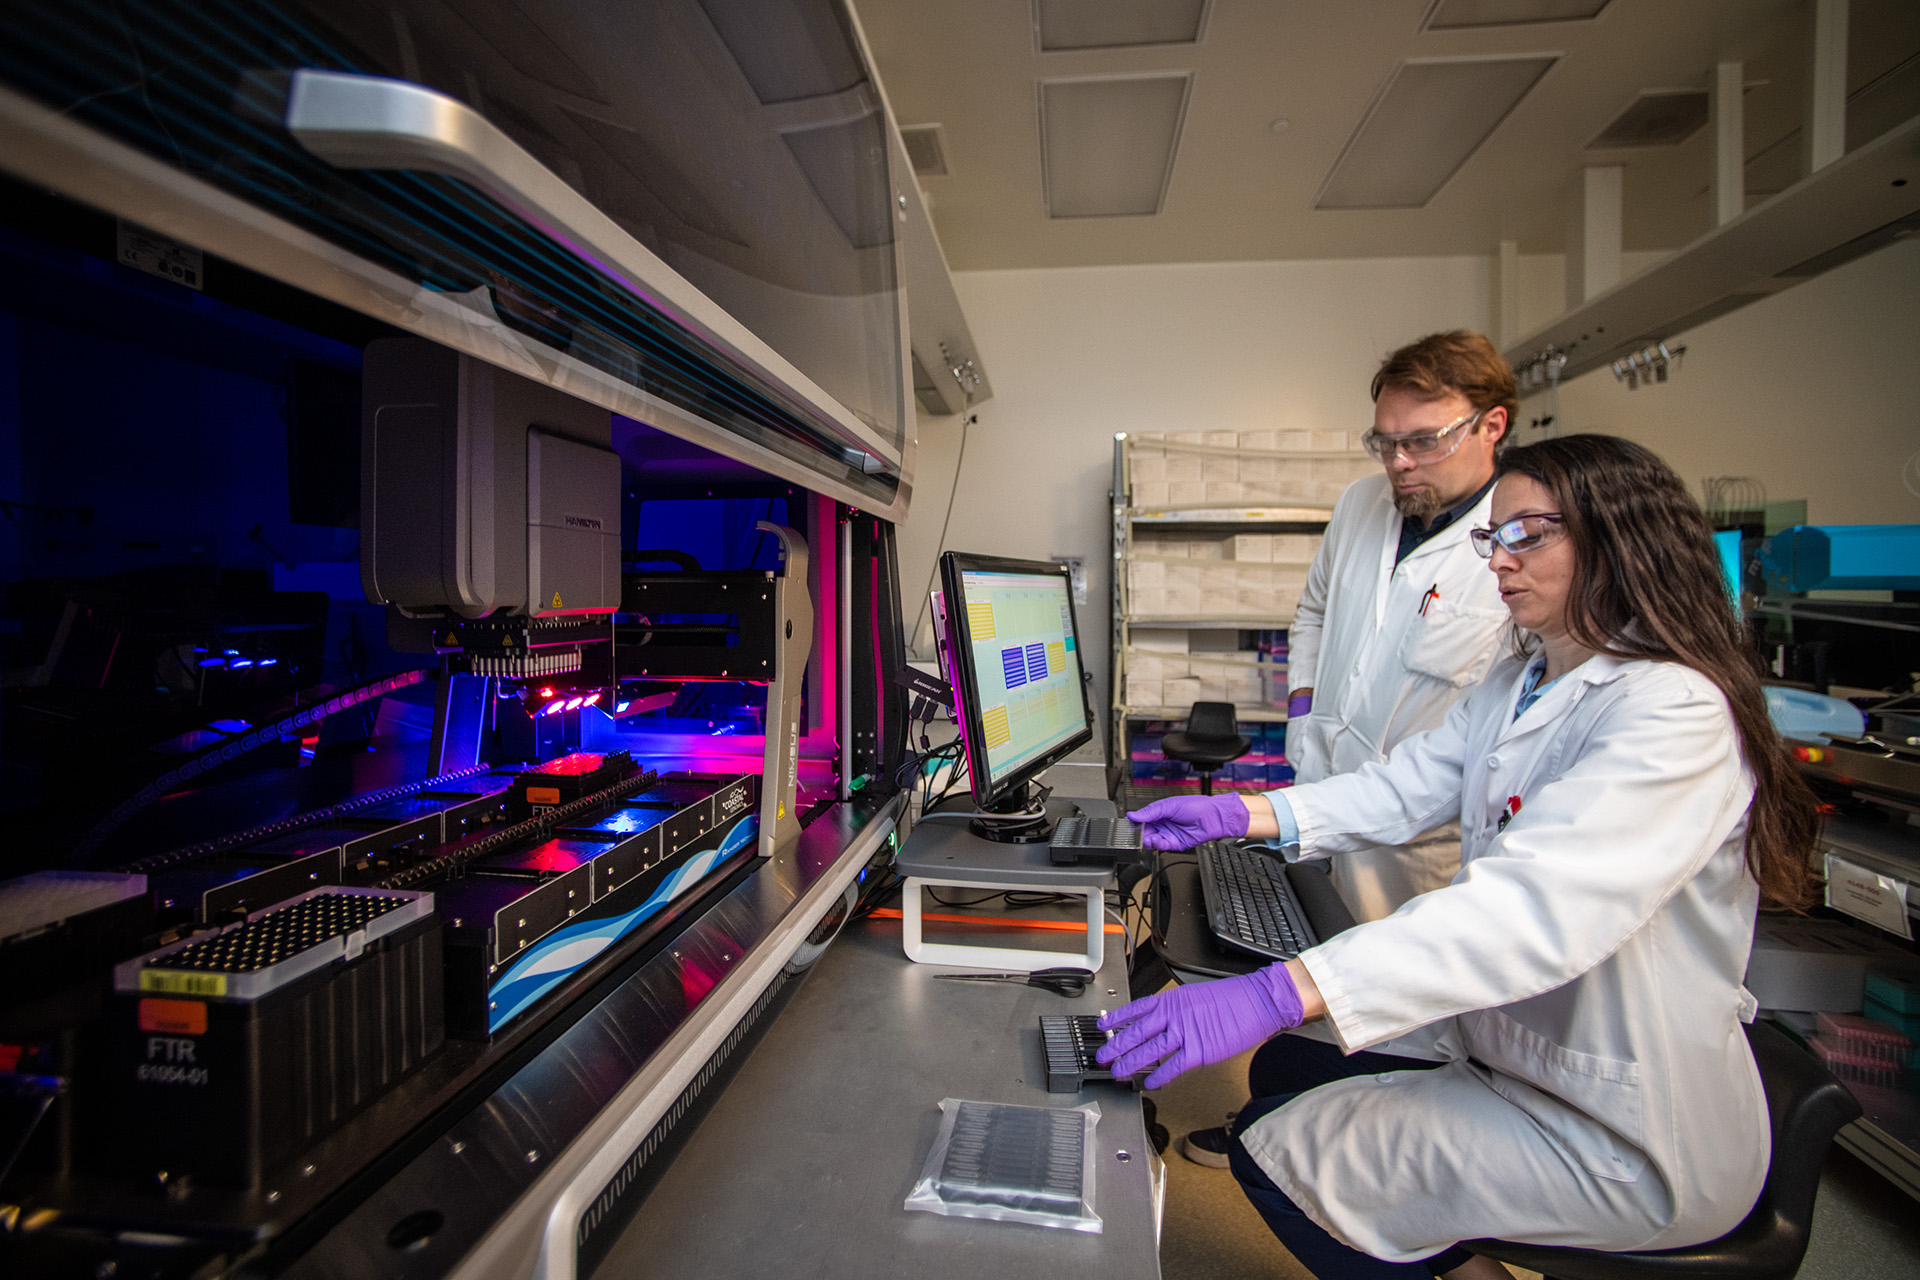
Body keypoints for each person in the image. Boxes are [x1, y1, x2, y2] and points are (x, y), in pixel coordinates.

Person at [1104, 434, 1818, 1280]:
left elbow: (1527, 909)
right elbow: (1407, 785)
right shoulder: (1527, 675)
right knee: (1293, 1063)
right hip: (1518, 1041)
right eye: (1494, 537)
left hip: (1616, 1117)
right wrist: (1246, 815)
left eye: (1528, 534)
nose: (1499, 561)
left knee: (1280, 1157)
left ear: (1618, 537)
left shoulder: (1674, 712)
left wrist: (1284, 988)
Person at [1180, 329, 1514, 1167]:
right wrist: (1300, 716)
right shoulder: (1364, 505)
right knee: (1309, 1024)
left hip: (1419, 857)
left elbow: (1434, 780)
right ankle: (1293, 1128)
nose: (1399, 463)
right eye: (1385, 441)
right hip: (1323, 795)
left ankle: (1327, 1144)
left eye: (1423, 442)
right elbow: (1316, 612)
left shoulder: (1516, 556)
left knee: (1395, 1035)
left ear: (1491, 426)